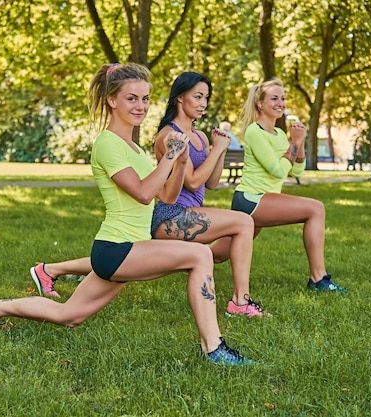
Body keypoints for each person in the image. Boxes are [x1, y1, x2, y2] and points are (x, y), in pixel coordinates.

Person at [0, 63, 251, 366]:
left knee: (69, 315)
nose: (140, 106)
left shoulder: (135, 147)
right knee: (200, 255)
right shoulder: (107, 145)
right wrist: (169, 157)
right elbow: (142, 193)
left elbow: (165, 197)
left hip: (131, 247)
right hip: (117, 249)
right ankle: (214, 348)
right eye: (131, 98)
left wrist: (180, 162)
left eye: (145, 99)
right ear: (112, 100)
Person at [31, 71, 268, 318]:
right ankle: (239, 303)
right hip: (168, 215)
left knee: (71, 313)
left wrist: (218, 151)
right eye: (197, 96)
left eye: (206, 98)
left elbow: (210, 183)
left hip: (151, 221)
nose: (203, 103)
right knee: (240, 224)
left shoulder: (195, 137)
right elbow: (187, 182)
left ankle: (46, 272)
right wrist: (202, 151)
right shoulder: (168, 135)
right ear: (180, 98)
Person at [228, 78, 346, 293]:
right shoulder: (254, 132)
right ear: (260, 104)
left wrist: (298, 143)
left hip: (264, 199)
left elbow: (297, 171)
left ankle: (193, 259)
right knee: (315, 208)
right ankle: (318, 279)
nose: (280, 102)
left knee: (220, 252)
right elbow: (278, 170)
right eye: (274, 98)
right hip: (251, 199)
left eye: (282, 98)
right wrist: (294, 143)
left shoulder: (280, 134)